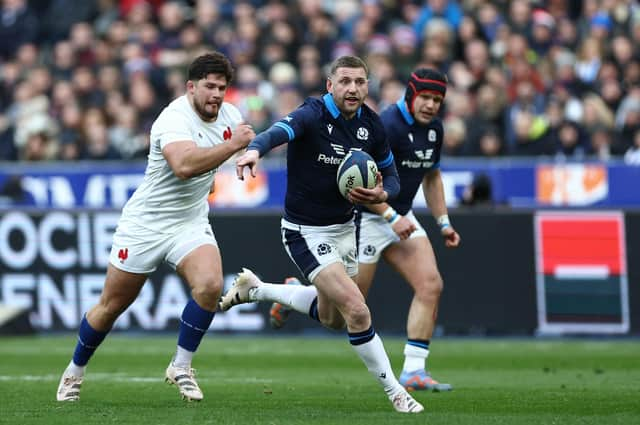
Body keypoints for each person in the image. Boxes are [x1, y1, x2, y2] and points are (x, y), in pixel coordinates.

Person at [222, 55, 424, 413]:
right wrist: (254, 150)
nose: (353, 89)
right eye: (345, 81)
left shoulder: (372, 126)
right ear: (330, 85)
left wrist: (383, 194)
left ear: (367, 86)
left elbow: (391, 177)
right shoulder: (312, 114)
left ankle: (258, 289)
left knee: (334, 319)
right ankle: (396, 392)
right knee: (358, 311)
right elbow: (277, 132)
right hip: (305, 232)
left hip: (346, 228)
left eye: (360, 82)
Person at [56, 52, 256, 402]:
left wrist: (213, 178)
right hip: (146, 224)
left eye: (222, 88)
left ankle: (181, 366)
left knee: (209, 286)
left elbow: (208, 172)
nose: (216, 94)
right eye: (209, 87)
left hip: (189, 220)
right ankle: (75, 370)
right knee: (111, 306)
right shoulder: (172, 118)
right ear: (190, 87)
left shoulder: (231, 116)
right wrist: (231, 146)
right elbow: (182, 165)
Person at [268, 68, 462, 392]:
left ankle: (414, 371)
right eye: (425, 98)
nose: (430, 105)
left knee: (431, 284)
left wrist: (443, 223)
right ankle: (292, 294)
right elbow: (357, 179)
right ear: (412, 95)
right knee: (340, 317)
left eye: (437, 100)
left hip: (400, 217)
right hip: (366, 220)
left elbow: (431, 176)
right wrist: (389, 215)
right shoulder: (384, 123)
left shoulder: (434, 130)